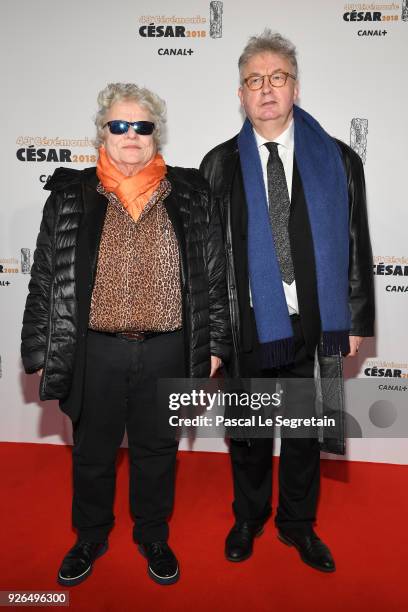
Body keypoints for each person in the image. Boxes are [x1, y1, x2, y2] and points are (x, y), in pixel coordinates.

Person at [21, 83, 230, 586]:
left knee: (158, 450)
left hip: (168, 350)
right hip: (95, 350)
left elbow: (214, 276)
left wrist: (217, 343)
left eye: (142, 125)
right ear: (103, 133)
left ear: (156, 134)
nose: (131, 134)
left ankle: (153, 535)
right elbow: (46, 278)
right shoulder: (71, 196)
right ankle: (90, 536)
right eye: (119, 125)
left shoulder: (191, 194)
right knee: (92, 451)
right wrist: (38, 347)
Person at [200, 31, 374, 572]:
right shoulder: (218, 166)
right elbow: (207, 264)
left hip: (316, 323)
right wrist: (212, 335)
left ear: (295, 87)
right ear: (241, 93)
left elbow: (356, 242)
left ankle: (297, 525)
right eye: (255, 80)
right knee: (248, 433)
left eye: (277, 77)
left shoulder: (338, 160)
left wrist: (357, 316)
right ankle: (248, 517)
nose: (266, 89)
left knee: (302, 434)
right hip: (250, 325)